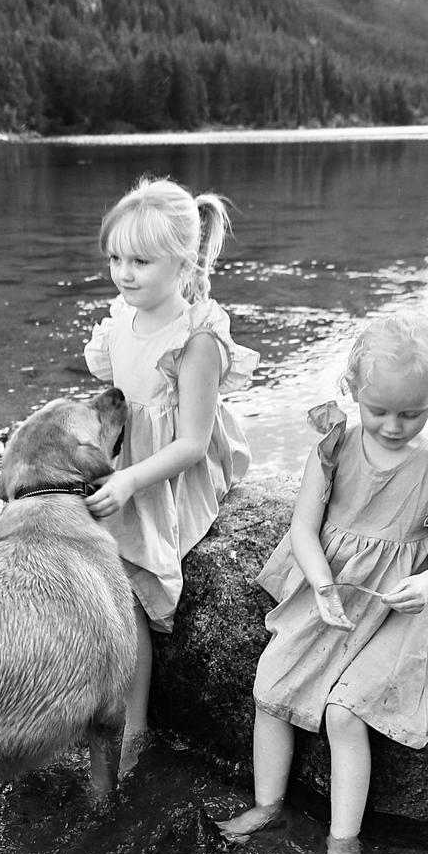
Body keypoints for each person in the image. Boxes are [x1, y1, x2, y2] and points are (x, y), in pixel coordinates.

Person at [214, 312, 428, 854]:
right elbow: (304, 527)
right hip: (334, 591)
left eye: (411, 414)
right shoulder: (335, 450)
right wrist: (319, 583)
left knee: (346, 712)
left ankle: (343, 848)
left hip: (399, 608)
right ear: (353, 390)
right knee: (272, 688)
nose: (392, 425)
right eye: (379, 409)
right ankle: (267, 804)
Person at [82, 176, 259, 774]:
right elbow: (117, 401)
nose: (123, 274)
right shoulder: (120, 321)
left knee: (128, 575)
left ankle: (135, 724)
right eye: (115, 259)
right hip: (128, 456)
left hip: (173, 468)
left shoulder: (195, 339)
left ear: (182, 263)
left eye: (139, 261)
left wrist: (132, 481)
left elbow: (191, 443)